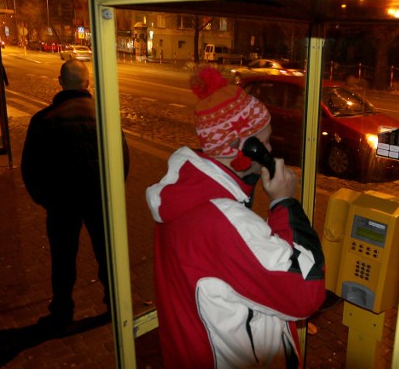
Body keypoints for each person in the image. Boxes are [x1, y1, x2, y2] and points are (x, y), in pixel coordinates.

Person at [146, 66, 325, 368]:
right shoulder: (223, 220)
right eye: (265, 142)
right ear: (244, 148)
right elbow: (307, 291)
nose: (271, 150)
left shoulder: (184, 197)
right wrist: (284, 202)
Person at [21, 59, 130, 332]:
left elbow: (31, 168)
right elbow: (122, 160)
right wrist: (110, 193)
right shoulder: (104, 116)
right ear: (88, 83)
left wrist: (47, 200)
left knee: (62, 258)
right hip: (99, 199)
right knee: (106, 254)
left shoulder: (44, 119)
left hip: (62, 203)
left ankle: (61, 310)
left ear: (60, 82)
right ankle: (114, 304)